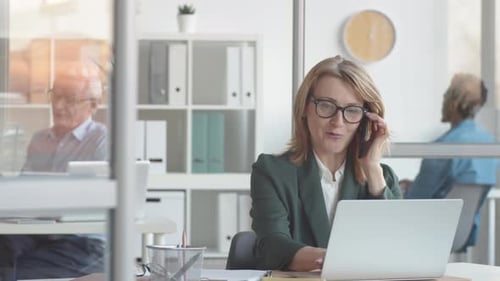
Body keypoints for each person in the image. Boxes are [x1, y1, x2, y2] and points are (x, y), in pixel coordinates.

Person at [250, 55, 402, 271]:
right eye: (326, 106)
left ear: (365, 119)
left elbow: (398, 250)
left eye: (352, 110)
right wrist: (341, 261)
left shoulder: (381, 177)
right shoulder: (272, 172)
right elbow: (274, 246)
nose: (337, 122)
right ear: (305, 107)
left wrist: (372, 170)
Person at [0, 61, 108, 280]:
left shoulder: (103, 141)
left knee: (12, 268)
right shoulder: (40, 139)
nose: (58, 106)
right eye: (55, 96)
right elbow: (24, 192)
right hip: (37, 233)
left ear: (93, 105)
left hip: (83, 241)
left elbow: (98, 202)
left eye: (69, 99)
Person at [404, 73, 496, 250]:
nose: (443, 100)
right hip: (465, 232)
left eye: (447, 94)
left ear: (455, 102)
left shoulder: (444, 146)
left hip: (431, 231)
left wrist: (397, 190)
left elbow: (416, 200)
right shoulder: (489, 143)